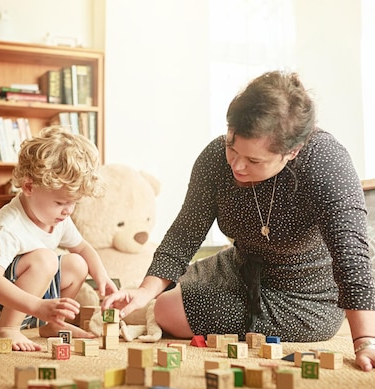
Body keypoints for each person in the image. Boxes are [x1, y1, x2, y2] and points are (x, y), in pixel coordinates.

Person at [102, 71, 375, 372]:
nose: (237, 165)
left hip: (304, 296)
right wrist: (143, 291)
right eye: (233, 146)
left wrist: (365, 339)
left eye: (254, 160)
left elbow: (351, 253)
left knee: (166, 309)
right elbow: (185, 233)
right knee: (156, 294)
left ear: (292, 151)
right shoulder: (216, 157)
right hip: (239, 267)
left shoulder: (326, 161)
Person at [0, 126, 119, 351]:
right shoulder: (8, 226)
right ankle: (6, 330)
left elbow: (83, 248)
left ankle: (53, 324)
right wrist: (37, 305)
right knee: (45, 259)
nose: (68, 211)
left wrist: (102, 276)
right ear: (29, 187)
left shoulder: (58, 218)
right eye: (60, 202)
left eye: (73, 202)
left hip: (33, 303)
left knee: (77, 263)